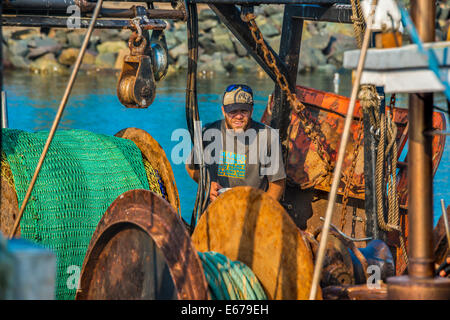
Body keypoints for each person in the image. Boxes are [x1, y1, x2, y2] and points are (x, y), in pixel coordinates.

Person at [185, 84, 286, 203]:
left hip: (252, 208)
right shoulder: (208, 133)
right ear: (223, 111)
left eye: (244, 111)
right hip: (217, 209)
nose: (238, 116)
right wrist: (208, 186)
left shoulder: (268, 137)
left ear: (251, 111)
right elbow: (191, 168)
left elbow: (277, 184)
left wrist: (260, 211)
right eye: (233, 111)